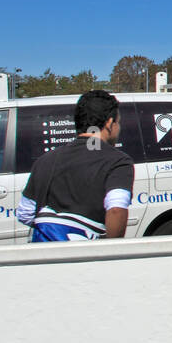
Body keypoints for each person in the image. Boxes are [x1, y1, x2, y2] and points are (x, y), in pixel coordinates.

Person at [17, 90, 134, 242]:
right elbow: (116, 210)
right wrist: (112, 248)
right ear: (109, 124)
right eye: (118, 122)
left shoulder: (45, 160)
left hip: (45, 256)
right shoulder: (118, 161)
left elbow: (24, 213)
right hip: (86, 257)